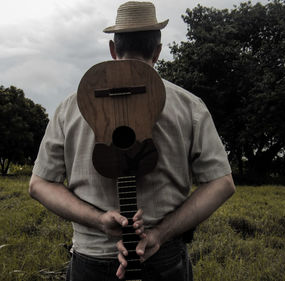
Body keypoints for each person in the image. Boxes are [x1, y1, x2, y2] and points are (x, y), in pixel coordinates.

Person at [29, 1, 236, 280]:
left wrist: (99, 220)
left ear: (113, 49)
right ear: (158, 51)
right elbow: (222, 183)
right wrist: (159, 234)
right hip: (162, 259)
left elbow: (39, 184)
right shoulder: (189, 106)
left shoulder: (70, 108)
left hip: (91, 260)